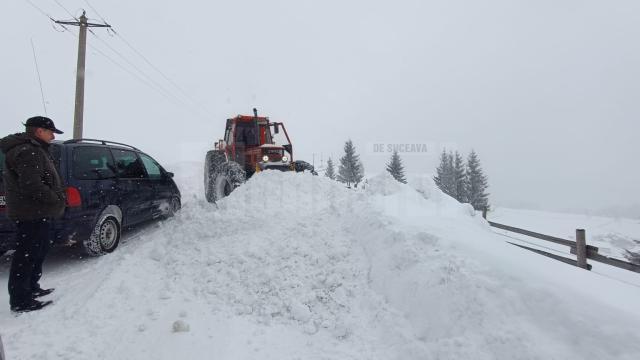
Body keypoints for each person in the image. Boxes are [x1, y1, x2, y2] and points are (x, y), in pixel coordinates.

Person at [0, 116, 65, 312]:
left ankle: (32, 287)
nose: (53, 136)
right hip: (31, 213)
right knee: (26, 255)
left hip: (36, 211)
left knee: (38, 250)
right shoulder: (29, 151)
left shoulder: (35, 149)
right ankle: (21, 300)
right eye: (50, 131)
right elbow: (32, 184)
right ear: (38, 131)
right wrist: (55, 198)